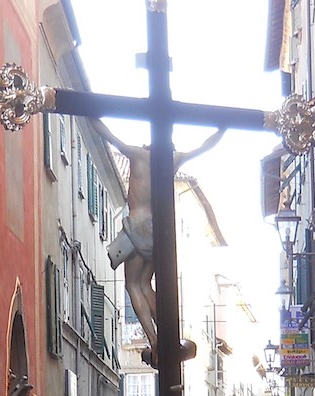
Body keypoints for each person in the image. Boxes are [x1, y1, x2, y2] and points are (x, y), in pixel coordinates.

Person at [93, 119, 225, 366]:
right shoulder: (173, 160)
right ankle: (167, 332)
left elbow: (107, 134)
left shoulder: (136, 154)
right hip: (158, 230)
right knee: (146, 283)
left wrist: (89, 114)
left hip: (137, 224)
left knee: (133, 284)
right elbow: (204, 147)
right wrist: (222, 128)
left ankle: (154, 338)